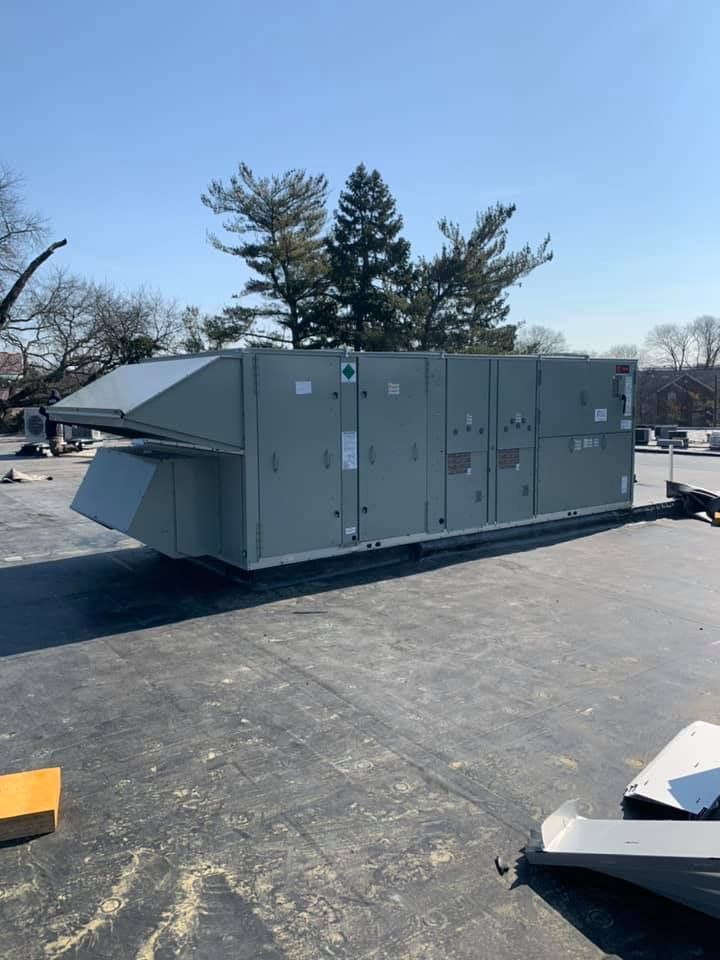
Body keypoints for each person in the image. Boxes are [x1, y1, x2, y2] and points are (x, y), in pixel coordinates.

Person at [39, 390, 64, 456]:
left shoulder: (58, 407)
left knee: (56, 450)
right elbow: (41, 409)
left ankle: (73, 448)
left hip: (55, 432)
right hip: (51, 432)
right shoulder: (49, 408)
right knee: (54, 450)